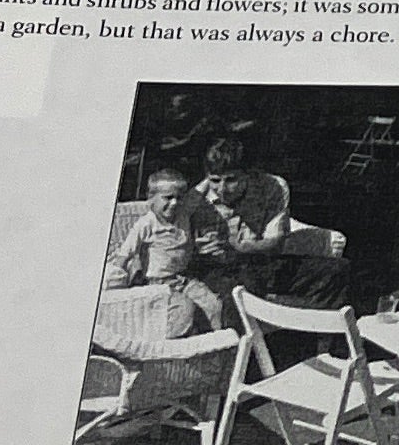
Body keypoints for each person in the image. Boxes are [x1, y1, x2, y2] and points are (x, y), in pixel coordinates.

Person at [198, 128, 348, 307]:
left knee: (338, 270)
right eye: (215, 181)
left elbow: (275, 243)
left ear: (249, 174)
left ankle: (307, 321)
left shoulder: (272, 187)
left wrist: (238, 248)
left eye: (231, 180)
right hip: (218, 269)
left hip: (258, 259)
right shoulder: (195, 198)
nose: (222, 189)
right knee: (239, 289)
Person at [101, 164, 230, 343]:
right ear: (151, 199)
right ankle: (173, 346)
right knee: (183, 310)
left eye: (179, 197)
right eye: (168, 198)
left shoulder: (183, 213)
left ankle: (215, 345)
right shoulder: (146, 224)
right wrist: (113, 285)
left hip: (183, 279)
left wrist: (213, 174)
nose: (174, 203)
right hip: (157, 284)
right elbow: (125, 254)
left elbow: (197, 193)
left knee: (214, 305)